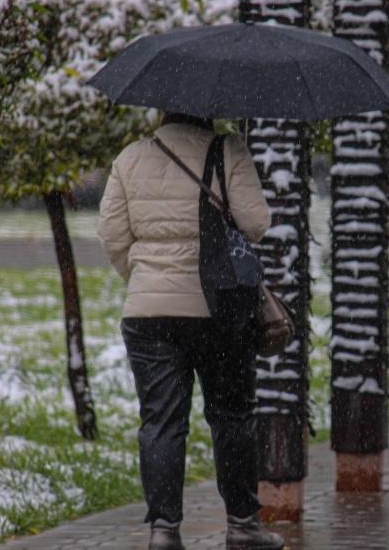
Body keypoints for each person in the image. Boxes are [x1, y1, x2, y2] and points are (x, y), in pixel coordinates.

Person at [97, 112, 285, 550]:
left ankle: (163, 530)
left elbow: (110, 234)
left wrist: (144, 278)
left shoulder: (130, 158)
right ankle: (242, 523)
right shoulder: (228, 149)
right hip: (218, 309)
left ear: (160, 109)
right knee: (231, 417)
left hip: (148, 313)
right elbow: (256, 224)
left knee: (161, 421)